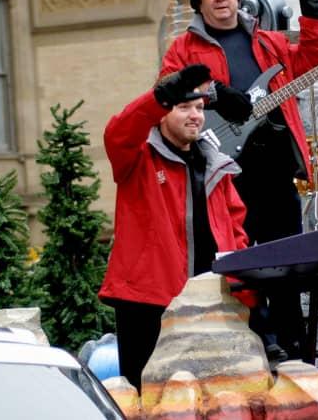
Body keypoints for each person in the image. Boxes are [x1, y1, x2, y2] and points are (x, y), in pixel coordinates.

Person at [160, 0, 318, 360]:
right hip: (224, 168)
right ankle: (258, 335)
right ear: (200, 5)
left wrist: (314, 18)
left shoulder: (267, 42)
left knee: (288, 255)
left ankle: (294, 341)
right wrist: (216, 93)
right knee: (238, 256)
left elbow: (309, 60)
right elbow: (167, 88)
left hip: (274, 164)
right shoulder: (183, 49)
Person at [98, 64, 252, 392]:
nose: (195, 115)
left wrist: (244, 293)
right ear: (162, 112)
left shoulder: (217, 165)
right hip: (148, 305)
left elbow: (235, 231)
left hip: (210, 305)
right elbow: (118, 131)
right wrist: (157, 97)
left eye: (199, 107)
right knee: (151, 402)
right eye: (184, 107)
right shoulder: (136, 157)